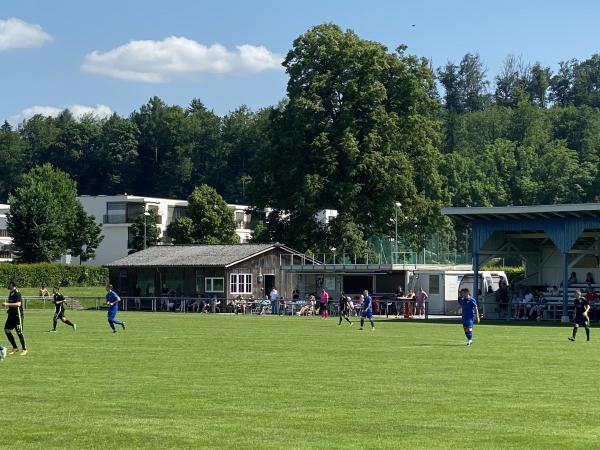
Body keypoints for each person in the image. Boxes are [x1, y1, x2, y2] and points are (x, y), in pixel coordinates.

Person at [4, 281, 27, 355]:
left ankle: (24, 349)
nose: (8, 285)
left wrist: (7, 304)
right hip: (11, 316)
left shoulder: (17, 293)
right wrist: (9, 309)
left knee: (19, 332)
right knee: (7, 330)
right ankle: (15, 347)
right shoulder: (11, 293)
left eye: (9, 284)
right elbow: (12, 303)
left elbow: (18, 304)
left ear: (12, 285)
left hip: (17, 316)